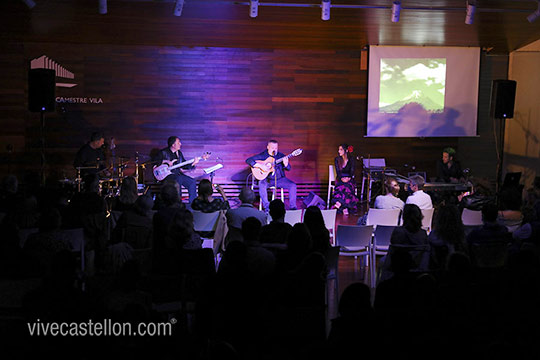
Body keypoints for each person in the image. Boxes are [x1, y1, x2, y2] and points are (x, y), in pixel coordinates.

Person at [246, 140, 297, 212]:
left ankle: (293, 208)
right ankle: (267, 208)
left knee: (293, 185)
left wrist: (286, 165)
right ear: (268, 147)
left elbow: (289, 168)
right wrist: (260, 166)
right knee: (261, 185)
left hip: (280, 179)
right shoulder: (263, 155)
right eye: (272, 147)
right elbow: (249, 160)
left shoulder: (281, 156)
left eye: (276, 148)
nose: (274, 149)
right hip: (267, 180)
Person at [153, 136, 200, 203]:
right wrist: (166, 161)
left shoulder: (179, 153)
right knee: (179, 179)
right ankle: (178, 203)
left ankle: (193, 203)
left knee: (192, 182)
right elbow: (154, 161)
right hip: (167, 176)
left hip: (178, 175)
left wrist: (193, 163)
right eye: (178, 142)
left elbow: (183, 165)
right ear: (173, 145)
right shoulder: (163, 152)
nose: (180, 144)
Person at [330, 144, 359, 215]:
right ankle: (344, 207)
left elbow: (352, 171)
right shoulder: (337, 159)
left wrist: (348, 178)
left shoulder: (351, 159)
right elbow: (338, 172)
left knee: (347, 186)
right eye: (339, 149)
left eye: (341, 149)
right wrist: (342, 179)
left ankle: (340, 204)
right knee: (342, 186)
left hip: (349, 178)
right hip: (340, 178)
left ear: (346, 150)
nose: (339, 151)